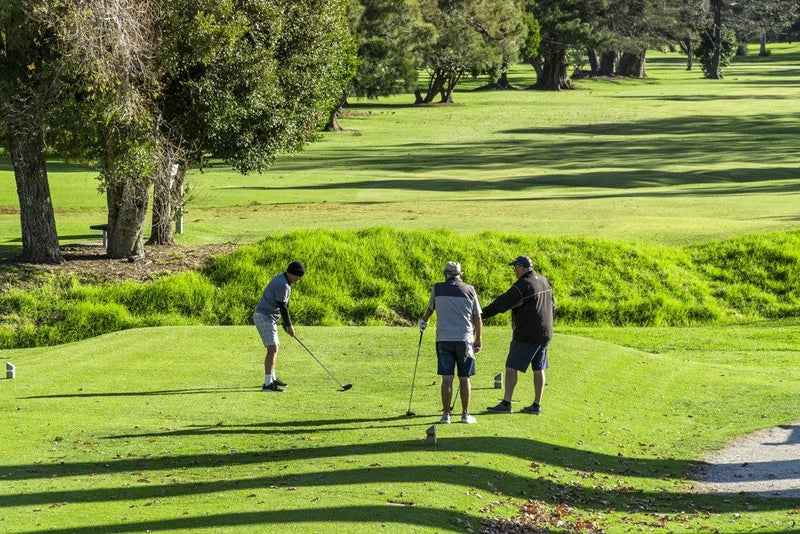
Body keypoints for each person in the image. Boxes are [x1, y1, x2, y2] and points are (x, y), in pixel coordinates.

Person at [483, 255, 555, 415]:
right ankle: (537, 406)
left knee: (511, 366)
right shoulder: (544, 280)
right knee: (539, 368)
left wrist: (480, 314)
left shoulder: (523, 284)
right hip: (545, 333)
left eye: (515, 267)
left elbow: (502, 303)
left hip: (527, 334)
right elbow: (553, 305)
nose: (514, 270)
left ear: (521, 267)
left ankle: (506, 403)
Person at [419, 261, 482, 424]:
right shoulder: (470, 290)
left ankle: (446, 415)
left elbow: (430, 309)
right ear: (460, 274)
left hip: (443, 339)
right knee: (465, 378)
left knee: (447, 379)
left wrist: (424, 321)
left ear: (445, 273)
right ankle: (465, 414)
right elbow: (477, 317)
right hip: (465, 340)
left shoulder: (437, 288)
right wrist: (478, 339)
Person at [253, 260, 305, 392]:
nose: (299, 279)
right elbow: (282, 307)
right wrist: (289, 325)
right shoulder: (283, 284)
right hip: (264, 316)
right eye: (298, 276)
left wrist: (285, 323)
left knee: (275, 347)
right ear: (292, 274)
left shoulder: (285, 280)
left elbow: (284, 306)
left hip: (269, 317)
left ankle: (272, 379)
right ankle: (267, 384)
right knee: (272, 348)